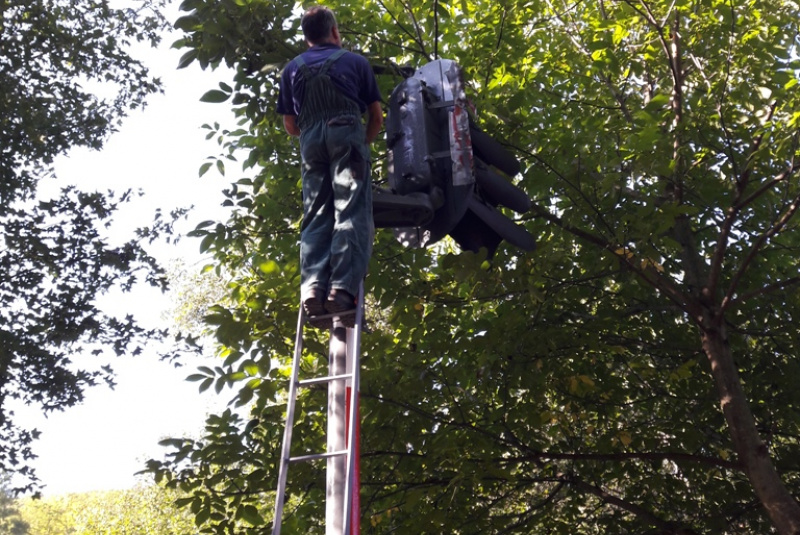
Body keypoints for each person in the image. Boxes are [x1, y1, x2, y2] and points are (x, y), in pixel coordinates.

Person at [277, 6, 383, 328]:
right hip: (346, 134)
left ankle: (312, 289)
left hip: (310, 144)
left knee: (316, 215)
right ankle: (341, 290)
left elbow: (289, 125)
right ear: (334, 32)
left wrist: (313, 132)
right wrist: (359, 145)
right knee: (349, 209)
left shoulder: (290, 70)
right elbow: (377, 118)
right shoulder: (355, 62)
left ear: (306, 37)